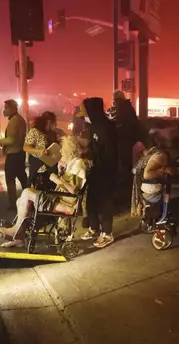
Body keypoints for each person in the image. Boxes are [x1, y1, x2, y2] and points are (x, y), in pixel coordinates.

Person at [0, 136, 89, 248]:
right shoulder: (72, 164)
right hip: (60, 199)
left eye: (63, 150)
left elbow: (74, 190)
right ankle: (19, 236)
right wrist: (60, 171)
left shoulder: (78, 164)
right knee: (20, 200)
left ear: (70, 153)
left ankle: (16, 232)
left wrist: (57, 178)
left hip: (66, 204)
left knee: (27, 192)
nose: (60, 151)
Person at [78, 97, 118, 248]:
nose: (83, 115)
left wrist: (95, 158)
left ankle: (107, 233)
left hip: (106, 169)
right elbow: (94, 146)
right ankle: (94, 228)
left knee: (105, 201)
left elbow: (109, 151)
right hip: (96, 168)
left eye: (85, 111)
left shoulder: (106, 127)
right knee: (91, 200)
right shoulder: (93, 125)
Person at [0, 99, 28, 209]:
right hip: (20, 153)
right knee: (22, 178)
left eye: (6, 108)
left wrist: (0, 141)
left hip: (13, 154)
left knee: (10, 179)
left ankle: (13, 204)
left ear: (13, 108)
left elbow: (11, 140)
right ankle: (29, 200)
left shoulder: (14, 121)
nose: (4, 111)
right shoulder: (20, 119)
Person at [109, 90, 140, 176]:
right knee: (126, 159)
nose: (114, 102)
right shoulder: (126, 107)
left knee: (124, 159)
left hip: (125, 138)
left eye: (115, 100)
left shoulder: (123, 108)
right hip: (128, 137)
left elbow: (120, 121)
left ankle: (125, 178)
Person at [24, 115, 55, 189]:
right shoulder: (35, 132)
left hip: (51, 168)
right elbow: (26, 147)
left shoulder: (51, 133)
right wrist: (39, 151)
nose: (53, 125)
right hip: (40, 168)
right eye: (52, 123)